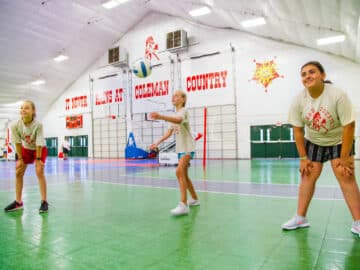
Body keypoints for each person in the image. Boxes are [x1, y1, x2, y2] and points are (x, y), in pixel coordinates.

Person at [282, 61, 360, 236]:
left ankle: (358, 222)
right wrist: (303, 158)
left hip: (340, 140)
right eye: (304, 74)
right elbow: (298, 130)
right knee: (307, 174)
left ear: (323, 76)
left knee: (345, 175)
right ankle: (300, 218)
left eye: (312, 72)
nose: (307, 76)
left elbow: (349, 126)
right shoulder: (298, 100)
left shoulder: (337, 94)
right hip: (315, 140)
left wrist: (345, 157)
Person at [150, 90, 199, 216]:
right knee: (185, 176)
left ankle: (183, 205)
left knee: (179, 172)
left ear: (182, 99)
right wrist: (157, 142)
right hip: (180, 149)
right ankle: (194, 199)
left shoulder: (183, 111)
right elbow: (169, 132)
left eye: (177, 95)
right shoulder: (175, 114)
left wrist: (161, 116)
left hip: (188, 147)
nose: (174, 97)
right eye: (173, 95)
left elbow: (178, 120)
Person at [4, 100, 49, 213]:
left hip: (39, 149)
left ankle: (44, 201)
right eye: (21, 107)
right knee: (18, 171)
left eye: (27, 108)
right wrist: (20, 159)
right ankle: (18, 202)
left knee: (39, 171)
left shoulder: (38, 125)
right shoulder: (14, 125)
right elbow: (17, 143)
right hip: (26, 149)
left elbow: (39, 142)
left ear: (33, 111)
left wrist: (38, 160)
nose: (23, 109)